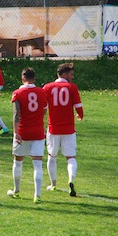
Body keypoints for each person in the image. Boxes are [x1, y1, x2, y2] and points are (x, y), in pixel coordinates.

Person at [7, 68, 47, 204]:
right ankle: (37, 195)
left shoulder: (17, 93)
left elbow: (16, 114)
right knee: (37, 164)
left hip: (23, 132)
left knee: (18, 161)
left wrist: (15, 132)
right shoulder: (42, 92)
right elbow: (44, 110)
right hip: (38, 132)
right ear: (34, 79)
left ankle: (16, 190)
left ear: (22, 79)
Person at [43, 63, 84, 197]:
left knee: (52, 156)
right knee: (70, 157)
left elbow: (43, 107)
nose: (73, 77)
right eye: (71, 74)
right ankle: (71, 179)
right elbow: (78, 105)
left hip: (53, 127)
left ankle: (53, 184)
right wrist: (80, 115)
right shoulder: (72, 87)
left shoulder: (47, 87)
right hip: (68, 128)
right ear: (64, 75)